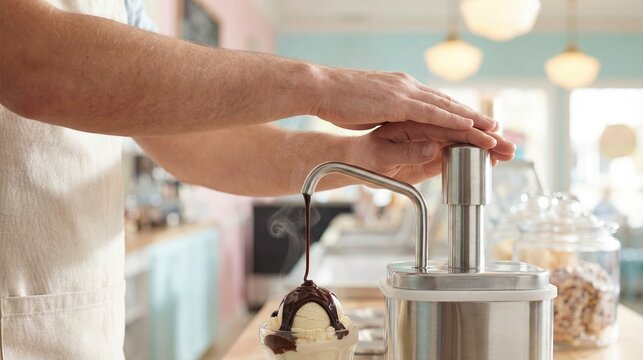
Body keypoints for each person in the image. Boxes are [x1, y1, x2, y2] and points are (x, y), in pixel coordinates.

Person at [0, 0, 515, 358]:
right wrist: (319, 85)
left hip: (79, 324)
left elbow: (192, 142)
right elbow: (34, 63)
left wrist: (357, 157)